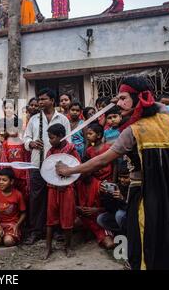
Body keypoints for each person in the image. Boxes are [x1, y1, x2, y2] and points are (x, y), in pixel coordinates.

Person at [57, 76, 169, 270]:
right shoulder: (165, 115)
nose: (119, 103)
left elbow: (102, 160)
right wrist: (132, 98)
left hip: (144, 194)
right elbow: (152, 103)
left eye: (123, 98)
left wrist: (70, 170)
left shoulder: (133, 131)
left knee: (142, 234)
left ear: (139, 98)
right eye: (118, 99)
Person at [23, 88, 71, 245]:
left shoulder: (62, 119)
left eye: (43, 99)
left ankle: (56, 230)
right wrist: (31, 143)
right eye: (39, 99)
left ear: (52, 100)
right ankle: (36, 231)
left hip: (56, 166)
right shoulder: (34, 119)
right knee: (36, 198)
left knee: (56, 199)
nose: (40, 102)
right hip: (37, 164)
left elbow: (68, 140)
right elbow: (26, 137)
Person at [44, 124, 80, 259]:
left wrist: (66, 180)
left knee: (67, 217)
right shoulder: (50, 152)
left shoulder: (71, 150)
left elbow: (77, 167)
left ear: (60, 136)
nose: (50, 140)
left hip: (67, 188)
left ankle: (68, 246)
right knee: (50, 218)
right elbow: (46, 169)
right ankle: (48, 247)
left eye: (52, 138)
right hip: (52, 188)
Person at [78, 123, 115, 249]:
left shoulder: (108, 148)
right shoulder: (89, 150)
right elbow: (89, 166)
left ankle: (107, 231)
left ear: (99, 135)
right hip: (96, 181)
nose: (87, 136)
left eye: (90, 134)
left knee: (107, 203)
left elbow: (114, 165)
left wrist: (113, 181)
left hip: (107, 181)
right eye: (87, 134)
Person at [0, 168, 26, 247]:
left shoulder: (18, 194)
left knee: (8, 242)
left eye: (4, 180)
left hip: (12, 225)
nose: (1, 182)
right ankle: (1, 237)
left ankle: (7, 237)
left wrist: (17, 225)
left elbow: (23, 213)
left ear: (11, 181)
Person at [97, 165, 130, 235]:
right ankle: (122, 233)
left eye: (126, 177)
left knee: (119, 215)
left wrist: (122, 199)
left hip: (131, 216)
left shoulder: (134, 187)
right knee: (101, 219)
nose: (122, 180)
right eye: (120, 177)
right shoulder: (117, 186)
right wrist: (105, 195)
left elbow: (134, 209)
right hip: (120, 217)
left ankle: (129, 234)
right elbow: (110, 209)